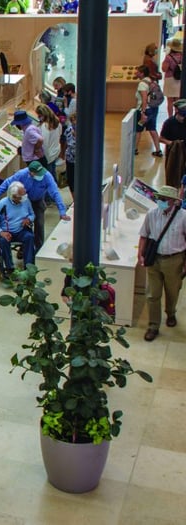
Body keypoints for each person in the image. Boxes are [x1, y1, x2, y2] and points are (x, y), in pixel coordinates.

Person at [137, 186, 186, 341]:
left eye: (164, 199)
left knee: (172, 291)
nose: (161, 202)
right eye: (159, 198)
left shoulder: (183, 217)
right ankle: (153, 326)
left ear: (173, 201)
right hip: (154, 259)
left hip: (175, 260)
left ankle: (170, 313)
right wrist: (140, 254)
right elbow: (144, 235)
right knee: (152, 294)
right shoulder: (152, 214)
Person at [0, 161, 70, 251]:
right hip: (22, 201)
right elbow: (7, 183)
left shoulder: (47, 176)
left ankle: (38, 249)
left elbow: (55, 193)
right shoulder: (21, 174)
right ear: (31, 173)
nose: (41, 175)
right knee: (21, 223)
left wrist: (62, 212)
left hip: (37, 200)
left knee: (39, 224)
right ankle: (24, 247)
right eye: (38, 173)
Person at [0, 181, 35, 279]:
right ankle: (9, 268)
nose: (24, 197)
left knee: (30, 237)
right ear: (14, 196)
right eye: (21, 196)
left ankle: (29, 268)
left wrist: (29, 219)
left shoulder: (26, 201)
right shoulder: (3, 203)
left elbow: (32, 214)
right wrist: (1, 232)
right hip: (6, 231)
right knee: (4, 241)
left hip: (21, 230)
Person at [134, 64, 163, 157]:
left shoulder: (142, 84)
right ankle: (158, 150)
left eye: (137, 71)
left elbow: (144, 98)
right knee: (152, 129)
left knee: (138, 129)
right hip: (153, 108)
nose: (136, 73)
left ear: (142, 74)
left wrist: (142, 113)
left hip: (145, 110)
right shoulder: (151, 81)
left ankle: (134, 149)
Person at [35, 104, 62, 177]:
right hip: (55, 151)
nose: (38, 117)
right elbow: (60, 134)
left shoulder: (45, 126)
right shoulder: (57, 122)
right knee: (53, 174)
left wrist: (42, 158)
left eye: (39, 115)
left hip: (48, 156)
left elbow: (44, 144)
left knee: (49, 177)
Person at [162, 38, 182, 117]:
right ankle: (177, 115)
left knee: (170, 101)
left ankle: (170, 117)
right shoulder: (182, 56)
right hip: (179, 80)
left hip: (170, 79)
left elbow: (164, 69)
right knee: (177, 100)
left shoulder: (168, 57)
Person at [62, 113, 77, 199]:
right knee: (71, 181)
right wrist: (63, 154)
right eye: (72, 122)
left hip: (80, 161)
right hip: (70, 159)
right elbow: (66, 143)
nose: (74, 123)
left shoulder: (85, 132)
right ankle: (74, 200)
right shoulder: (68, 130)